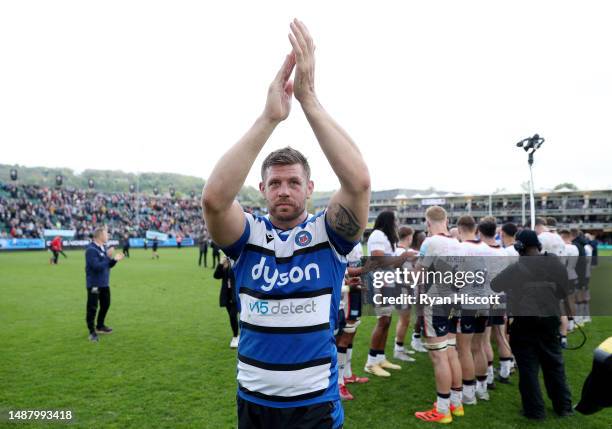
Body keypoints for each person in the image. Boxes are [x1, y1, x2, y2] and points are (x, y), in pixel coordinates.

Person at [201, 19, 370, 429]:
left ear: (309, 188)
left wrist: (309, 100)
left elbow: (359, 182)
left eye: (294, 182)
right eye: (274, 183)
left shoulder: (327, 235)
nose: (284, 190)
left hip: (314, 406)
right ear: (261, 188)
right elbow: (214, 199)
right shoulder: (249, 237)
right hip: (254, 404)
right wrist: (269, 117)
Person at [491, 229, 573, 420]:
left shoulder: (516, 268)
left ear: (519, 246)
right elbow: (564, 292)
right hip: (550, 320)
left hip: (524, 323)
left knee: (528, 370)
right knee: (554, 365)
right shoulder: (555, 263)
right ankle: (564, 407)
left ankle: (535, 412)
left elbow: (495, 285)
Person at [414, 206, 464, 424]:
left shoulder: (429, 242)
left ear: (427, 222)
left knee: (439, 356)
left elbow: (418, 275)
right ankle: (456, 402)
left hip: (436, 303)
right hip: (455, 301)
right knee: (451, 351)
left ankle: (443, 410)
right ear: (446, 219)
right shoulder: (457, 242)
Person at [364, 211, 407, 377]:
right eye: (395, 220)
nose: (397, 223)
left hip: (388, 282)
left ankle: (380, 358)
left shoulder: (387, 237)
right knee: (382, 321)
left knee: (387, 321)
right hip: (380, 284)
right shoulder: (377, 235)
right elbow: (378, 261)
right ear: (389, 221)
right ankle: (370, 362)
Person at [85, 226, 124, 342]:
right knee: (92, 307)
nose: (108, 236)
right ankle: (92, 332)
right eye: (106, 234)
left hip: (104, 283)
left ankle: (100, 326)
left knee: (106, 304)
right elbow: (96, 267)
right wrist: (108, 257)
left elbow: (107, 265)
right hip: (95, 285)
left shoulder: (102, 248)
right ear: (100, 236)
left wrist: (115, 260)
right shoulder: (91, 250)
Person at [213, 256, 239, 348]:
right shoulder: (225, 263)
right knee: (232, 317)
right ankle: (236, 336)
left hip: (237, 295)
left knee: (234, 315)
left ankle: (236, 336)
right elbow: (216, 276)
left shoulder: (237, 261)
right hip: (227, 295)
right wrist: (220, 263)